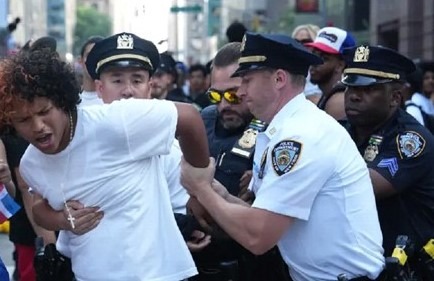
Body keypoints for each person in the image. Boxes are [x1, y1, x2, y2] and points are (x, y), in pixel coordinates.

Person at [0, 32, 210, 281]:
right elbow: (38, 207)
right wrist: (63, 219)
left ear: (63, 101)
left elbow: (189, 118)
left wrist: (198, 184)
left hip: (154, 275)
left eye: (44, 112)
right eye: (24, 120)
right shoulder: (31, 164)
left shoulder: (118, 121)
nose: (38, 126)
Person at [180, 32, 385, 281]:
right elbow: (270, 214)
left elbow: (258, 237)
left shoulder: (302, 137)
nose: (241, 92)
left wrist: (202, 190)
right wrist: (221, 195)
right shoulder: (285, 129)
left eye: (247, 80)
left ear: (279, 79)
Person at [195, 41, 290, 281]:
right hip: (201, 261)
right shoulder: (201, 121)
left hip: (257, 264)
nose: (223, 105)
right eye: (216, 95)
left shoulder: (280, 131)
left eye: (233, 95)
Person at [341, 45, 434, 280]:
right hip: (358, 264)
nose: (353, 95)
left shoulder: (411, 139)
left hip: (406, 268)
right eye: (350, 86)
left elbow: (363, 188)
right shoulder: (341, 131)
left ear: (395, 97)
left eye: (368, 88)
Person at [305, 26, 356, 120]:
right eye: (313, 54)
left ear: (340, 65)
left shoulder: (338, 102)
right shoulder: (328, 95)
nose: (314, 62)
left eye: (323, 58)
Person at [291, 24, 322, 103]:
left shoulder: (323, 70)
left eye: (306, 42)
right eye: (296, 41)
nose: (300, 45)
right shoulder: (287, 70)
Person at [78, 36, 104, 106]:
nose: (94, 61)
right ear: (80, 61)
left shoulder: (115, 102)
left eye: (100, 56)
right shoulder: (71, 103)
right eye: (89, 55)